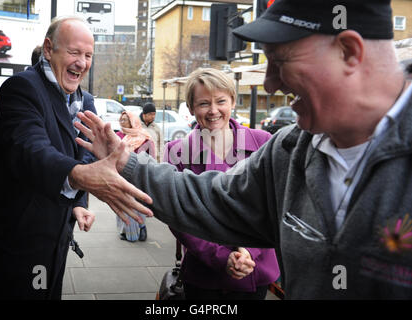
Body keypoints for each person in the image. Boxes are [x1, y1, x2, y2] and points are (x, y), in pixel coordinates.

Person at [76, 0, 412, 299]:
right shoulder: (288, 152)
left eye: (280, 61)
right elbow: (209, 201)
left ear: (349, 52)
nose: (269, 83)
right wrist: (127, 162)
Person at [0, 16, 153, 300]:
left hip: (55, 235)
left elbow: (83, 154)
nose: (82, 62)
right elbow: (30, 150)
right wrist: (79, 177)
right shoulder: (22, 88)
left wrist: (79, 202)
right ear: (48, 49)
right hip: (12, 238)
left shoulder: (84, 101)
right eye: (74, 52)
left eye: (88, 55)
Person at [164, 68, 280, 300]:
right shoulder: (176, 152)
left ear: (233, 102)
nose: (214, 110)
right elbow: (177, 216)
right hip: (204, 275)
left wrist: (248, 252)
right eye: (204, 103)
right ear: (191, 108)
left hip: (254, 268)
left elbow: (274, 206)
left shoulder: (263, 142)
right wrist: (221, 257)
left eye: (221, 101)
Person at [116, 111, 155, 242]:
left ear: (132, 122)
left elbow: (151, 157)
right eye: (121, 120)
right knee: (123, 203)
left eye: (125, 120)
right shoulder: (119, 135)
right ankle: (129, 232)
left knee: (134, 203)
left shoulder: (144, 137)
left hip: (139, 175)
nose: (122, 122)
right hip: (121, 175)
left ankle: (139, 229)